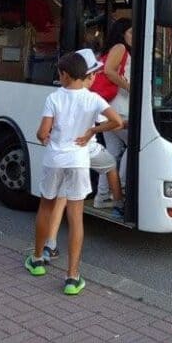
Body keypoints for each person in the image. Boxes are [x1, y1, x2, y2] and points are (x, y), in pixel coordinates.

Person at [25, 49, 122, 295]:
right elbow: (116, 122)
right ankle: (72, 277)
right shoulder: (93, 99)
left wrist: (45, 137)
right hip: (78, 161)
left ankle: (37, 260)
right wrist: (91, 132)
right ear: (84, 75)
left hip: (55, 160)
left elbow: (41, 132)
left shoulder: (54, 98)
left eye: (59, 73)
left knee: (46, 208)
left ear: (66, 75)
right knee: (76, 217)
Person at [94, 18, 132, 208]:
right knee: (135, 145)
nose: (134, 37)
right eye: (131, 33)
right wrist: (130, 87)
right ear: (122, 33)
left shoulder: (112, 48)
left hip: (108, 107)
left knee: (113, 152)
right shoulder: (120, 47)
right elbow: (109, 71)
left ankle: (102, 196)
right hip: (119, 109)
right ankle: (122, 189)